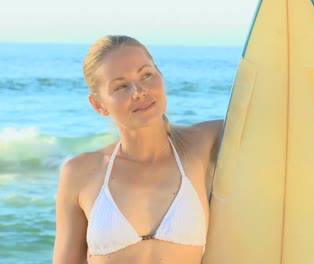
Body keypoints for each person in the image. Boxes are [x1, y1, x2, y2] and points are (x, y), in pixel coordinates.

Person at [52, 35, 223, 264]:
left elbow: (276, 117)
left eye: (146, 75)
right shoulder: (79, 173)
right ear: (98, 104)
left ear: (160, 74)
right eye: (121, 86)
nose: (139, 91)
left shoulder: (202, 144)